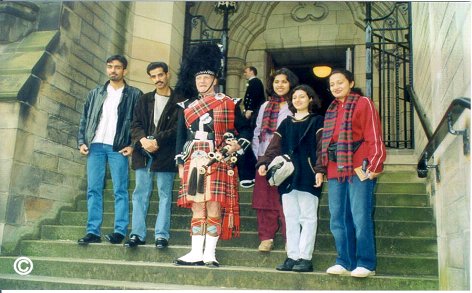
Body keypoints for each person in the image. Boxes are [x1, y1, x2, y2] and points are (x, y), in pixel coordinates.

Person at [174, 44, 252, 267]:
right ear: (194, 80)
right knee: (197, 206)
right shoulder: (186, 106)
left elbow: (245, 130)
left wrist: (236, 145)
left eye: (207, 77)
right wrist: (180, 162)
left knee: (214, 206)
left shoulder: (228, 103)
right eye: (199, 78)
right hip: (193, 158)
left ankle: (210, 253)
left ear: (214, 79)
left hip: (218, 157)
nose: (202, 81)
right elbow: (180, 137)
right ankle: (195, 252)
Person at [321, 69, 386, 278]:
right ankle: (344, 261)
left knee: (360, 216)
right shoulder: (331, 109)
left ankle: (366, 263)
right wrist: (321, 168)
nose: (336, 87)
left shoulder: (362, 102)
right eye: (332, 84)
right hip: (335, 168)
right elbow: (325, 143)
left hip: (360, 166)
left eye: (340, 82)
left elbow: (373, 133)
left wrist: (376, 162)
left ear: (351, 82)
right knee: (338, 218)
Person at [257, 84, 325, 272]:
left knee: (308, 217)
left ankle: (305, 257)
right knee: (291, 217)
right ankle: (292, 256)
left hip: (308, 174)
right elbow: (274, 146)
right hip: (287, 176)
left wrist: (320, 169)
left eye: (302, 97)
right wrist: (263, 163)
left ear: (310, 99)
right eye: (295, 97)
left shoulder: (318, 121)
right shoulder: (286, 123)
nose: (298, 100)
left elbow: (322, 148)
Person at [77, 55, 143, 245]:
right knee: (93, 189)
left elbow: (138, 123)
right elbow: (84, 119)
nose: (113, 70)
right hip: (95, 146)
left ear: (125, 70)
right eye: (110, 67)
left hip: (118, 147)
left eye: (117, 67)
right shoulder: (95, 93)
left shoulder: (134, 94)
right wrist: (82, 140)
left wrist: (132, 145)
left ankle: (119, 231)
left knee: (120, 190)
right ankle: (93, 232)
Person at [124, 62, 179, 249]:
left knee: (165, 194)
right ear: (150, 78)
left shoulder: (178, 101)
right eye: (154, 76)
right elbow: (135, 124)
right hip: (143, 152)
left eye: (160, 75)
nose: (158, 79)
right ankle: (137, 234)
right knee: (140, 193)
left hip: (166, 153)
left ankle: (161, 236)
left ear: (167, 75)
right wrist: (143, 141)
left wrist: (156, 140)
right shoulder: (144, 99)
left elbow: (177, 129)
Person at [251, 67, 299, 252]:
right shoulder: (265, 106)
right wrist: (261, 158)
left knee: (286, 201)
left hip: (287, 160)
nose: (280, 85)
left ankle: (290, 238)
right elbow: (257, 133)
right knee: (264, 201)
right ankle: (266, 237)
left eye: (284, 82)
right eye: (277, 81)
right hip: (264, 159)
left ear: (291, 84)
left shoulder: (294, 104)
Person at [238, 66, 266, 188]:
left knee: (251, 135)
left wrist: (249, 110)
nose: (244, 73)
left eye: (246, 71)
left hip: (254, 112)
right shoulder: (252, 82)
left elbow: (254, 97)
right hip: (251, 111)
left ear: (252, 72)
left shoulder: (255, 81)